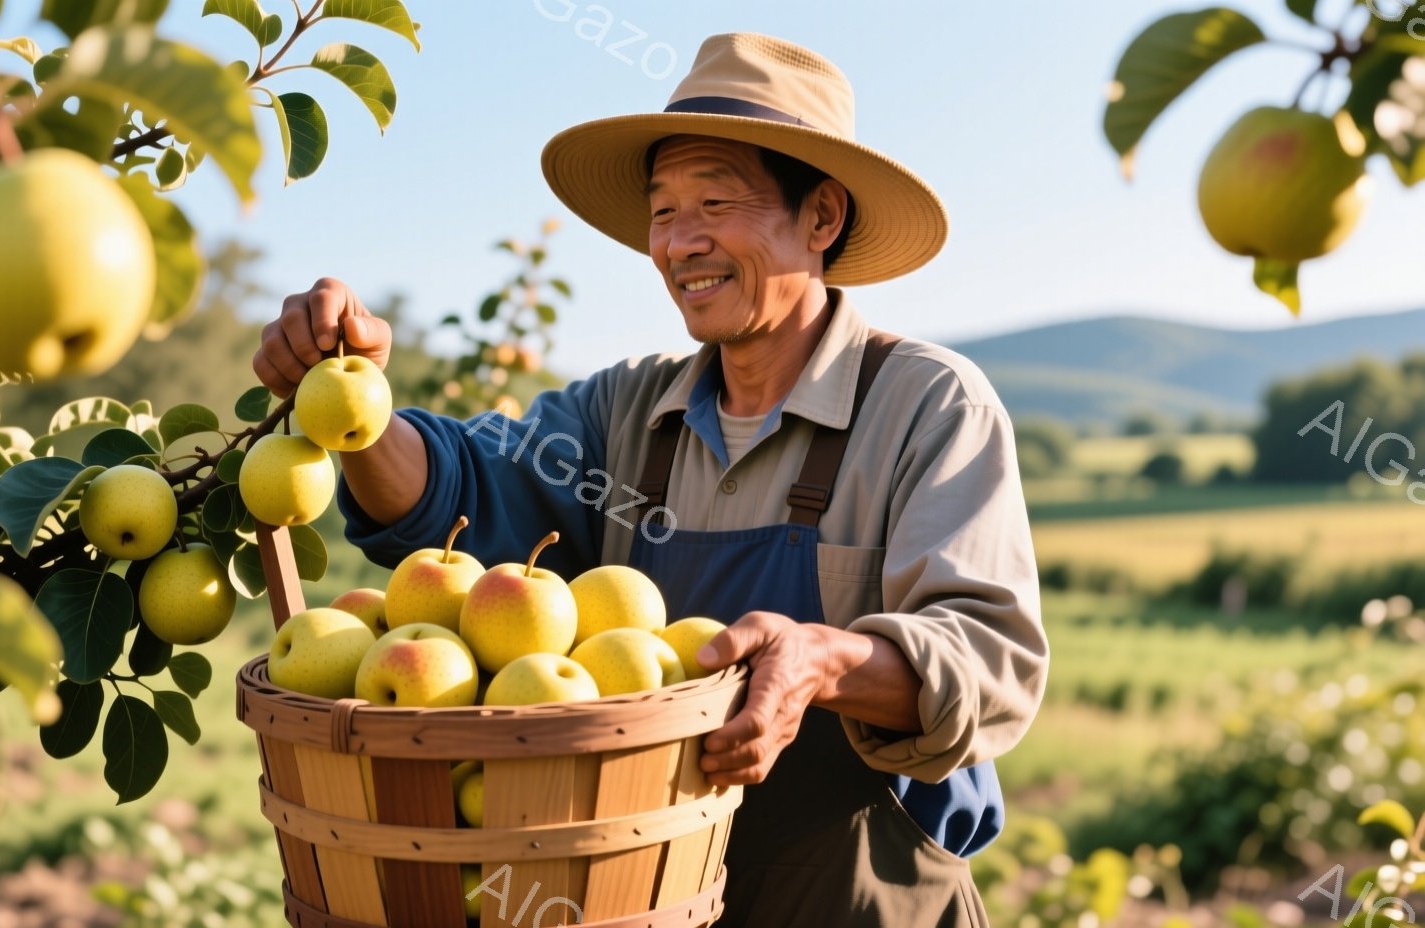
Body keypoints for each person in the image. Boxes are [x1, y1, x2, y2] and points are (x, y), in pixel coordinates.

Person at [254, 32, 1048, 928]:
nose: (679, 242)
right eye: (663, 211)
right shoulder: (629, 412)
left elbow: (987, 660)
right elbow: (461, 493)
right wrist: (354, 405)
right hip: (647, 898)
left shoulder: (925, 404)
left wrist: (821, 660)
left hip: (861, 898)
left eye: (715, 201)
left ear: (821, 218)